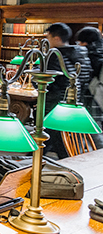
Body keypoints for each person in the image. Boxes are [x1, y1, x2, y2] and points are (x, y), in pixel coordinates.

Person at [44, 23, 93, 158]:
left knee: (55, 137)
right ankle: (28, 160)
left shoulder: (54, 55)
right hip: (73, 102)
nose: (47, 41)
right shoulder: (80, 53)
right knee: (53, 137)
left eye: (49, 37)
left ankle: (71, 166)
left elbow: (48, 81)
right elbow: (85, 77)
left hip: (55, 104)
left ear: (57, 38)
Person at [76, 27, 103, 130]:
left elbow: (84, 78)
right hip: (99, 95)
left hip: (93, 95)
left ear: (85, 42)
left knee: (93, 128)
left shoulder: (89, 55)